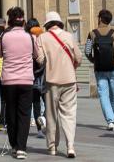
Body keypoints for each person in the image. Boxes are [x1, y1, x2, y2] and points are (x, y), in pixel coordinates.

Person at [36, 11, 82, 158]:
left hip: (52, 81)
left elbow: (40, 60)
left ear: (47, 24)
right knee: (69, 114)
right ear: (59, 23)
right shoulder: (69, 36)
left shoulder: (42, 38)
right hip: (69, 80)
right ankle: (70, 146)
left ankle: (52, 147)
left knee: (51, 115)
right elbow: (79, 58)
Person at [0, 7, 37, 160]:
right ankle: (21, 148)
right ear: (23, 21)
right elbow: (36, 54)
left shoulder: (4, 36)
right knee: (24, 114)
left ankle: (13, 145)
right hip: (26, 80)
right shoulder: (30, 37)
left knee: (10, 112)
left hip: (9, 80)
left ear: (10, 22)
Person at [84, 9, 114, 131]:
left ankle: (110, 120)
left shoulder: (92, 33)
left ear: (100, 19)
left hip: (100, 69)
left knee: (103, 95)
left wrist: (94, 60)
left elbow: (87, 51)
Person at [26, 18, 46, 138]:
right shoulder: (42, 38)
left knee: (36, 103)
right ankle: (43, 119)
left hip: (30, 75)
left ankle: (39, 130)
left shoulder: (26, 39)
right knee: (47, 102)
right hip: (43, 75)